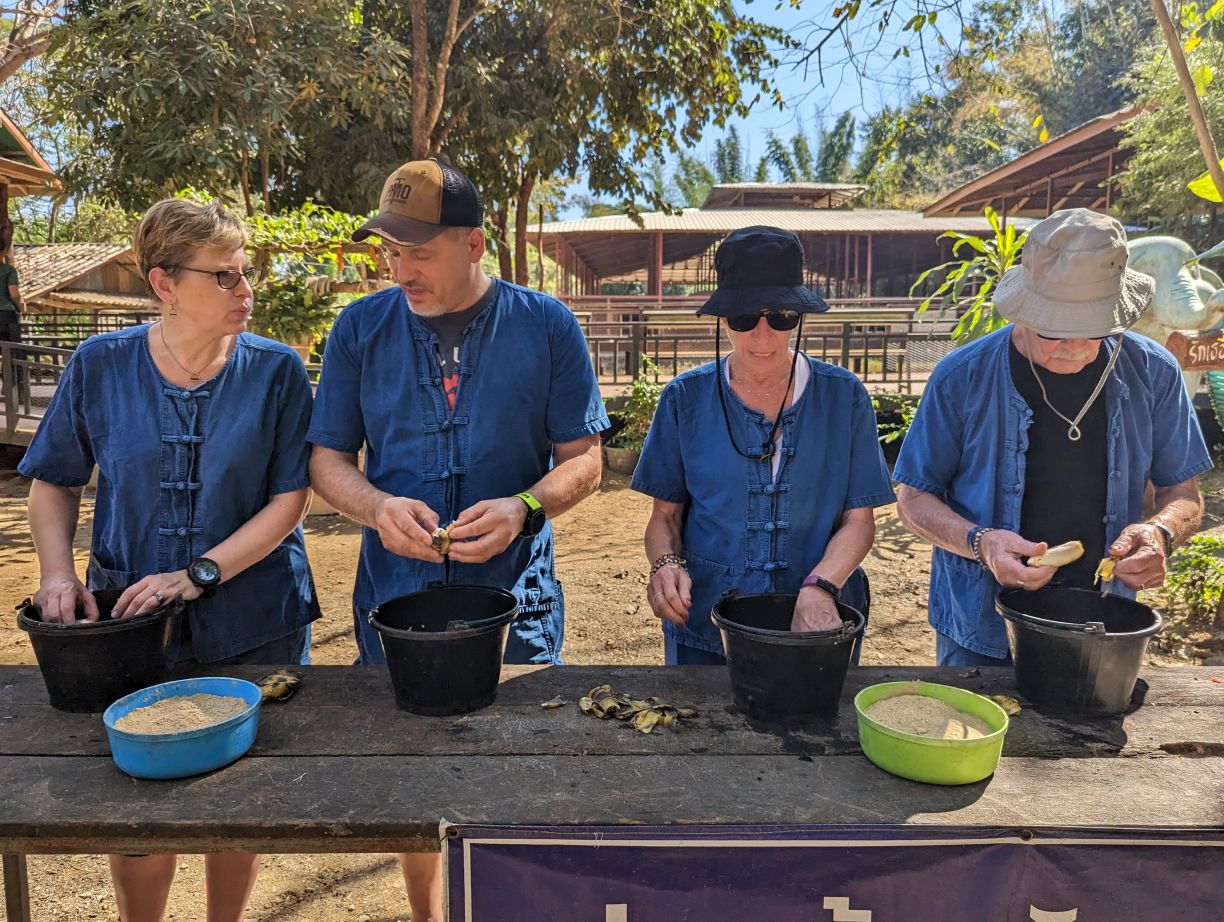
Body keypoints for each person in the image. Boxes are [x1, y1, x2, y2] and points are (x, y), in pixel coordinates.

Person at [307, 158, 608, 921]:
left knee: (519, 775)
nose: (400, 269)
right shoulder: (359, 329)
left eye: (419, 252)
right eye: (390, 252)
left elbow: (585, 461)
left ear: (474, 244)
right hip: (395, 601)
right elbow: (327, 461)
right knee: (412, 783)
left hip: (517, 604)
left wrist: (524, 507)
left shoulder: (546, 324)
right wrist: (376, 507)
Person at [19, 198, 322, 922]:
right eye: (224, 275)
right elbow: (54, 480)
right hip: (130, 625)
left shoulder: (278, 370)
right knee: (134, 806)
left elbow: (291, 500)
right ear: (164, 284)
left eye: (245, 272)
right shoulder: (99, 365)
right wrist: (57, 573)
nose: (245, 289)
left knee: (240, 803)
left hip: (256, 621)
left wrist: (197, 575)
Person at [894, 208, 1212, 667]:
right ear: (1025, 310)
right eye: (1057, 330)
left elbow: (1183, 492)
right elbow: (913, 499)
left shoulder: (1154, 371)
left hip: (1105, 624)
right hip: (980, 625)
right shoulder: (961, 377)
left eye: (1096, 328)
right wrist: (981, 543)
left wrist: (1160, 533)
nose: (1077, 348)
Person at [631, 226, 896, 663]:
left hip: (817, 624)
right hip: (705, 626)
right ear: (723, 318)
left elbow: (859, 520)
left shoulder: (845, 397)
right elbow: (665, 517)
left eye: (781, 316)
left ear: (799, 316)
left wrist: (822, 585)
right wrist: (664, 565)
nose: (762, 335)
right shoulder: (684, 399)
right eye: (743, 317)